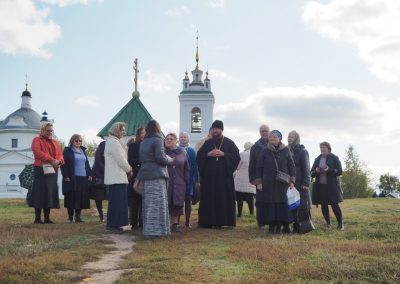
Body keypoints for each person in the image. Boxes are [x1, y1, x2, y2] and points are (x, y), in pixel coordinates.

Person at [197, 120, 241, 228]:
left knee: (223, 199)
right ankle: (208, 222)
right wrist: (208, 154)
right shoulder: (207, 143)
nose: (215, 131)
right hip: (209, 179)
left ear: (221, 130)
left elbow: (236, 157)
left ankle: (222, 221)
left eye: (217, 129)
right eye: (214, 129)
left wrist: (224, 154)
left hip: (224, 178)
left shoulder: (229, 143)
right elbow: (199, 157)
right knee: (209, 199)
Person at [137, 120, 173, 238]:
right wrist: (170, 159)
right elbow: (161, 159)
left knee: (148, 204)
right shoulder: (158, 140)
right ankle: (157, 232)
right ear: (158, 128)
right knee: (157, 204)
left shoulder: (143, 142)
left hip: (146, 176)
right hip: (157, 175)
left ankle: (148, 230)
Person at [255, 130, 296, 234]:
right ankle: (272, 225)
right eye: (271, 137)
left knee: (282, 204)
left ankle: (281, 225)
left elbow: (291, 166)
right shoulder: (264, 151)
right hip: (268, 182)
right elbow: (259, 167)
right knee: (270, 204)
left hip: (283, 183)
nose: (272, 139)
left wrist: (292, 180)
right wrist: (259, 182)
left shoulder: (286, 150)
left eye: (274, 137)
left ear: (279, 138)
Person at [30, 122, 64, 224]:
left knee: (49, 193)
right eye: (47, 130)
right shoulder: (36, 140)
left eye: (51, 130)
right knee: (39, 193)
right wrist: (52, 160)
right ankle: (37, 219)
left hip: (52, 170)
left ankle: (47, 218)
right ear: (42, 130)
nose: (49, 132)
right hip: (40, 169)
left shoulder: (55, 142)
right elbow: (38, 153)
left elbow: (60, 155)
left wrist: (59, 161)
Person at [104, 122, 132, 233]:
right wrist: (129, 169)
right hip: (116, 176)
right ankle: (113, 225)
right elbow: (120, 159)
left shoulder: (114, 141)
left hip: (117, 176)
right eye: (122, 130)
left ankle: (116, 224)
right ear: (116, 130)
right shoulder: (113, 142)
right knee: (117, 202)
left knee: (117, 202)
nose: (124, 132)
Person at [311, 141, 344, 230]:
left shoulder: (334, 158)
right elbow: (311, 173)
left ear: (328, 148)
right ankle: (328, 224)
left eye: (324, 148)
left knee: (335, 205)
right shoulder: (317, 159)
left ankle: (340, 224)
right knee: (324, 205)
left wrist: (329, 169)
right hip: (321, 186)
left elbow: (340, 171)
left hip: (332, 186)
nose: (322, 149)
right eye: (321, 148)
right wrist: (316, 171)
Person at [61, 134, 92, 223]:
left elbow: (87, 164)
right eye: (76, 141)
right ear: (72, 141)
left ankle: (78, 217)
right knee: (72, 197)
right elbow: (64, 165)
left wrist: (89, 174)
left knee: (81, 197)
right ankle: (70, 217)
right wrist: (66, 176)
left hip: (83, 177)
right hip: (72, 177)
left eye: (80, 141)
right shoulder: (68, 151)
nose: (78, 142)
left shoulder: (83, 150)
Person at [165, 133, 190, 232]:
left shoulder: (182, 153)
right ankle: (166, 224)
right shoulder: (162, 152)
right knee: (167, 202)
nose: (169, 140)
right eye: (167, 139)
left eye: (171, 139)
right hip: (166, 181)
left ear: (176, 141)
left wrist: (186, 180)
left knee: (176, 204)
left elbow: (186, 168)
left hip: (179, 182)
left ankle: (175, 225)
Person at [287, 130, 311, 233]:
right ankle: (294, 226)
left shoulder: (302, 151)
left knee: (301, 206)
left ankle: (302, 227)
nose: (289, 138)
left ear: (296, 138)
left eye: (292, 136)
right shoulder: (287, 150)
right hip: (290, 183)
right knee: (292, 205)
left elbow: (306, 168)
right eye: (288, 136)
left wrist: (306, 183)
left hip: (301, 183)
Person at [248, 124, 269, 228]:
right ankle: (261, 222)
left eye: (266, 131)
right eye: (262, 131)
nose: (264, 133)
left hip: (272, 178)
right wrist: (252, 178)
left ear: (269, 132)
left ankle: (271, 221)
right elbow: (251, 163)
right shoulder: (255, 147)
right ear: (259, 133)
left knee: (271, 201)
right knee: (260, 201)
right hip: (259, 178)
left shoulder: (274, 144)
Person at [178, 132, 200, 228]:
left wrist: (197, 180)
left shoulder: (191, 150)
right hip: (178, 179)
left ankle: (187, 222)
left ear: (188, 139)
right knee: (178, 201)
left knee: (188, 201)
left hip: (189, 180)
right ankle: (176, 223)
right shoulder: (176, 149)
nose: (183, 138)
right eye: (181, 137)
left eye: (185, 137)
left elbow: (195, 165)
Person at [127, 127, 146, 230]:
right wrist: (141, 161)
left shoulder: (147, 145)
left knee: (143, 200)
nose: (144, 134)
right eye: (142, 133)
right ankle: (134, 223)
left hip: (145, 175)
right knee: (135, 201)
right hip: (135, 175)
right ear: (138, 134)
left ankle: (142, 223)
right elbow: (130, 160)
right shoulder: (134, 145)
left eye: (145, 133)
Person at [234, 142, 255, 218]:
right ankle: (252, 213)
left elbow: (237, 167)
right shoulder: (254, 154)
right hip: (250, 179)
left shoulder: (242, 154)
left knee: (239, 199)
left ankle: (239, 214)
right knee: (250, 199)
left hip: (240, 179)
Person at [90, 139, 108, 223]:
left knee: (108, 197)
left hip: (107, 177)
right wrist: (106, 170)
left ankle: (107, 215)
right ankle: (101, 216)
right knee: (98, 198)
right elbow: (99, 162)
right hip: (98, 176)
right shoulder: (101, 147)